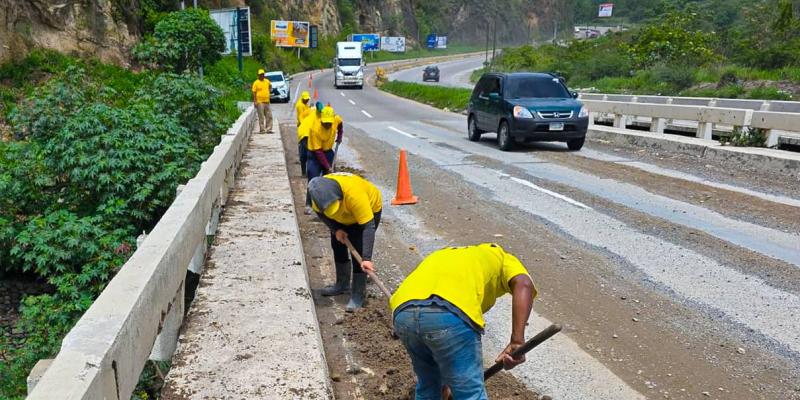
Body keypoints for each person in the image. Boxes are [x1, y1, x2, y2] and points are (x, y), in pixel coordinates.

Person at [389, 244, 537, 399]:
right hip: (448, 312)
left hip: (403, 313)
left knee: (428, 385)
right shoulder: (501, 257)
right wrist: (517, 341)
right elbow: (524, 283)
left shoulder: (445, 254)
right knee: (470, 394)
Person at [307, 173, 382, 311]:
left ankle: (358, 295)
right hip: (340, 220)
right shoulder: (318, 197)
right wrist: (335, 229)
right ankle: (342, 284)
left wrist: (366, 258)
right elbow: (320, 214)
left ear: (339, 198)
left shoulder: (355, 195)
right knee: (337, 245)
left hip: (368, 212)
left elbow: (368, 227)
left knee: (357, 250)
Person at [295, 91, 313, 175]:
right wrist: (305, 125)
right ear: (302, 98)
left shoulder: (305, 105)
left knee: (308, 152)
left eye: (307, 99)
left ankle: (307, 171)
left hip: (307, 130)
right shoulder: (300, 106)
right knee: (304, 152)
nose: (306, 101)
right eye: (305, 99)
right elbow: (301, 118)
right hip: (303, 131)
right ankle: (304, 172)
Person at [251, 69, 273, 134]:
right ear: (258, 75)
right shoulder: (256, 83)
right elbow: (254, 92)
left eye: (263, 74)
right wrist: (255, 101)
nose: (262, 75)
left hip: (267, 101)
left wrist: (269, 91)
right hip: (260, 102)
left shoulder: (267, 81)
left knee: (269, 115)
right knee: (261, 116)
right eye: (260, 74)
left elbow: (270, 86)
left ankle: (269, 129)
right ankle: (262, 130)